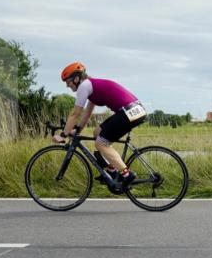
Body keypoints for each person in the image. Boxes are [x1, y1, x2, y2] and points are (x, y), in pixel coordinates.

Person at [54, 62, 147, 191]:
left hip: (128, 112)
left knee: (101, 143)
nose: (67, 85)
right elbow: (87, 113)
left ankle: (126, 175)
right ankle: (112, 170)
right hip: (135, 110)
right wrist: (78, 129)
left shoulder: (84, 86)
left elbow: (75, 113)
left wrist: (63, 134)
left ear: (76, 78)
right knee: (97, 132)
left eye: (68, 81)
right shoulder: (91, 86)